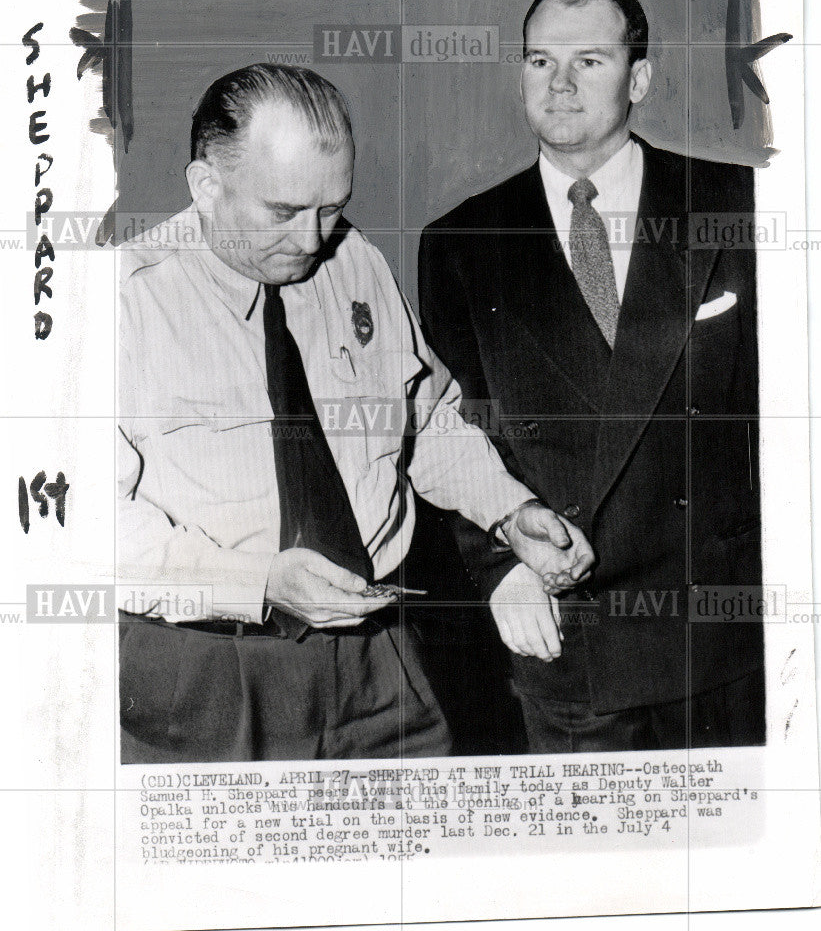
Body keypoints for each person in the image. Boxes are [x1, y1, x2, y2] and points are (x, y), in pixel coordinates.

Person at [118, 63, 594, 763]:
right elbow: (82, 528)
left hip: (378, 657)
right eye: (282, 212)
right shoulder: (120, 304)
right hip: (211, 671)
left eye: (331, 208)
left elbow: (424, 420)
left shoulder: (355, 260)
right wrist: (259, 584)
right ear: (206, 186)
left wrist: (505, 509)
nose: (312, 240)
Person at [419, 0, 764, 752]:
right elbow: (445, 429)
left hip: (724, 628)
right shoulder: (460, 241)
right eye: (540, 61)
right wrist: (498, 569)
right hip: (568, 632)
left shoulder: (736, 203)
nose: (560, 85)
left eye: (589, 60)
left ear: (637, 78)